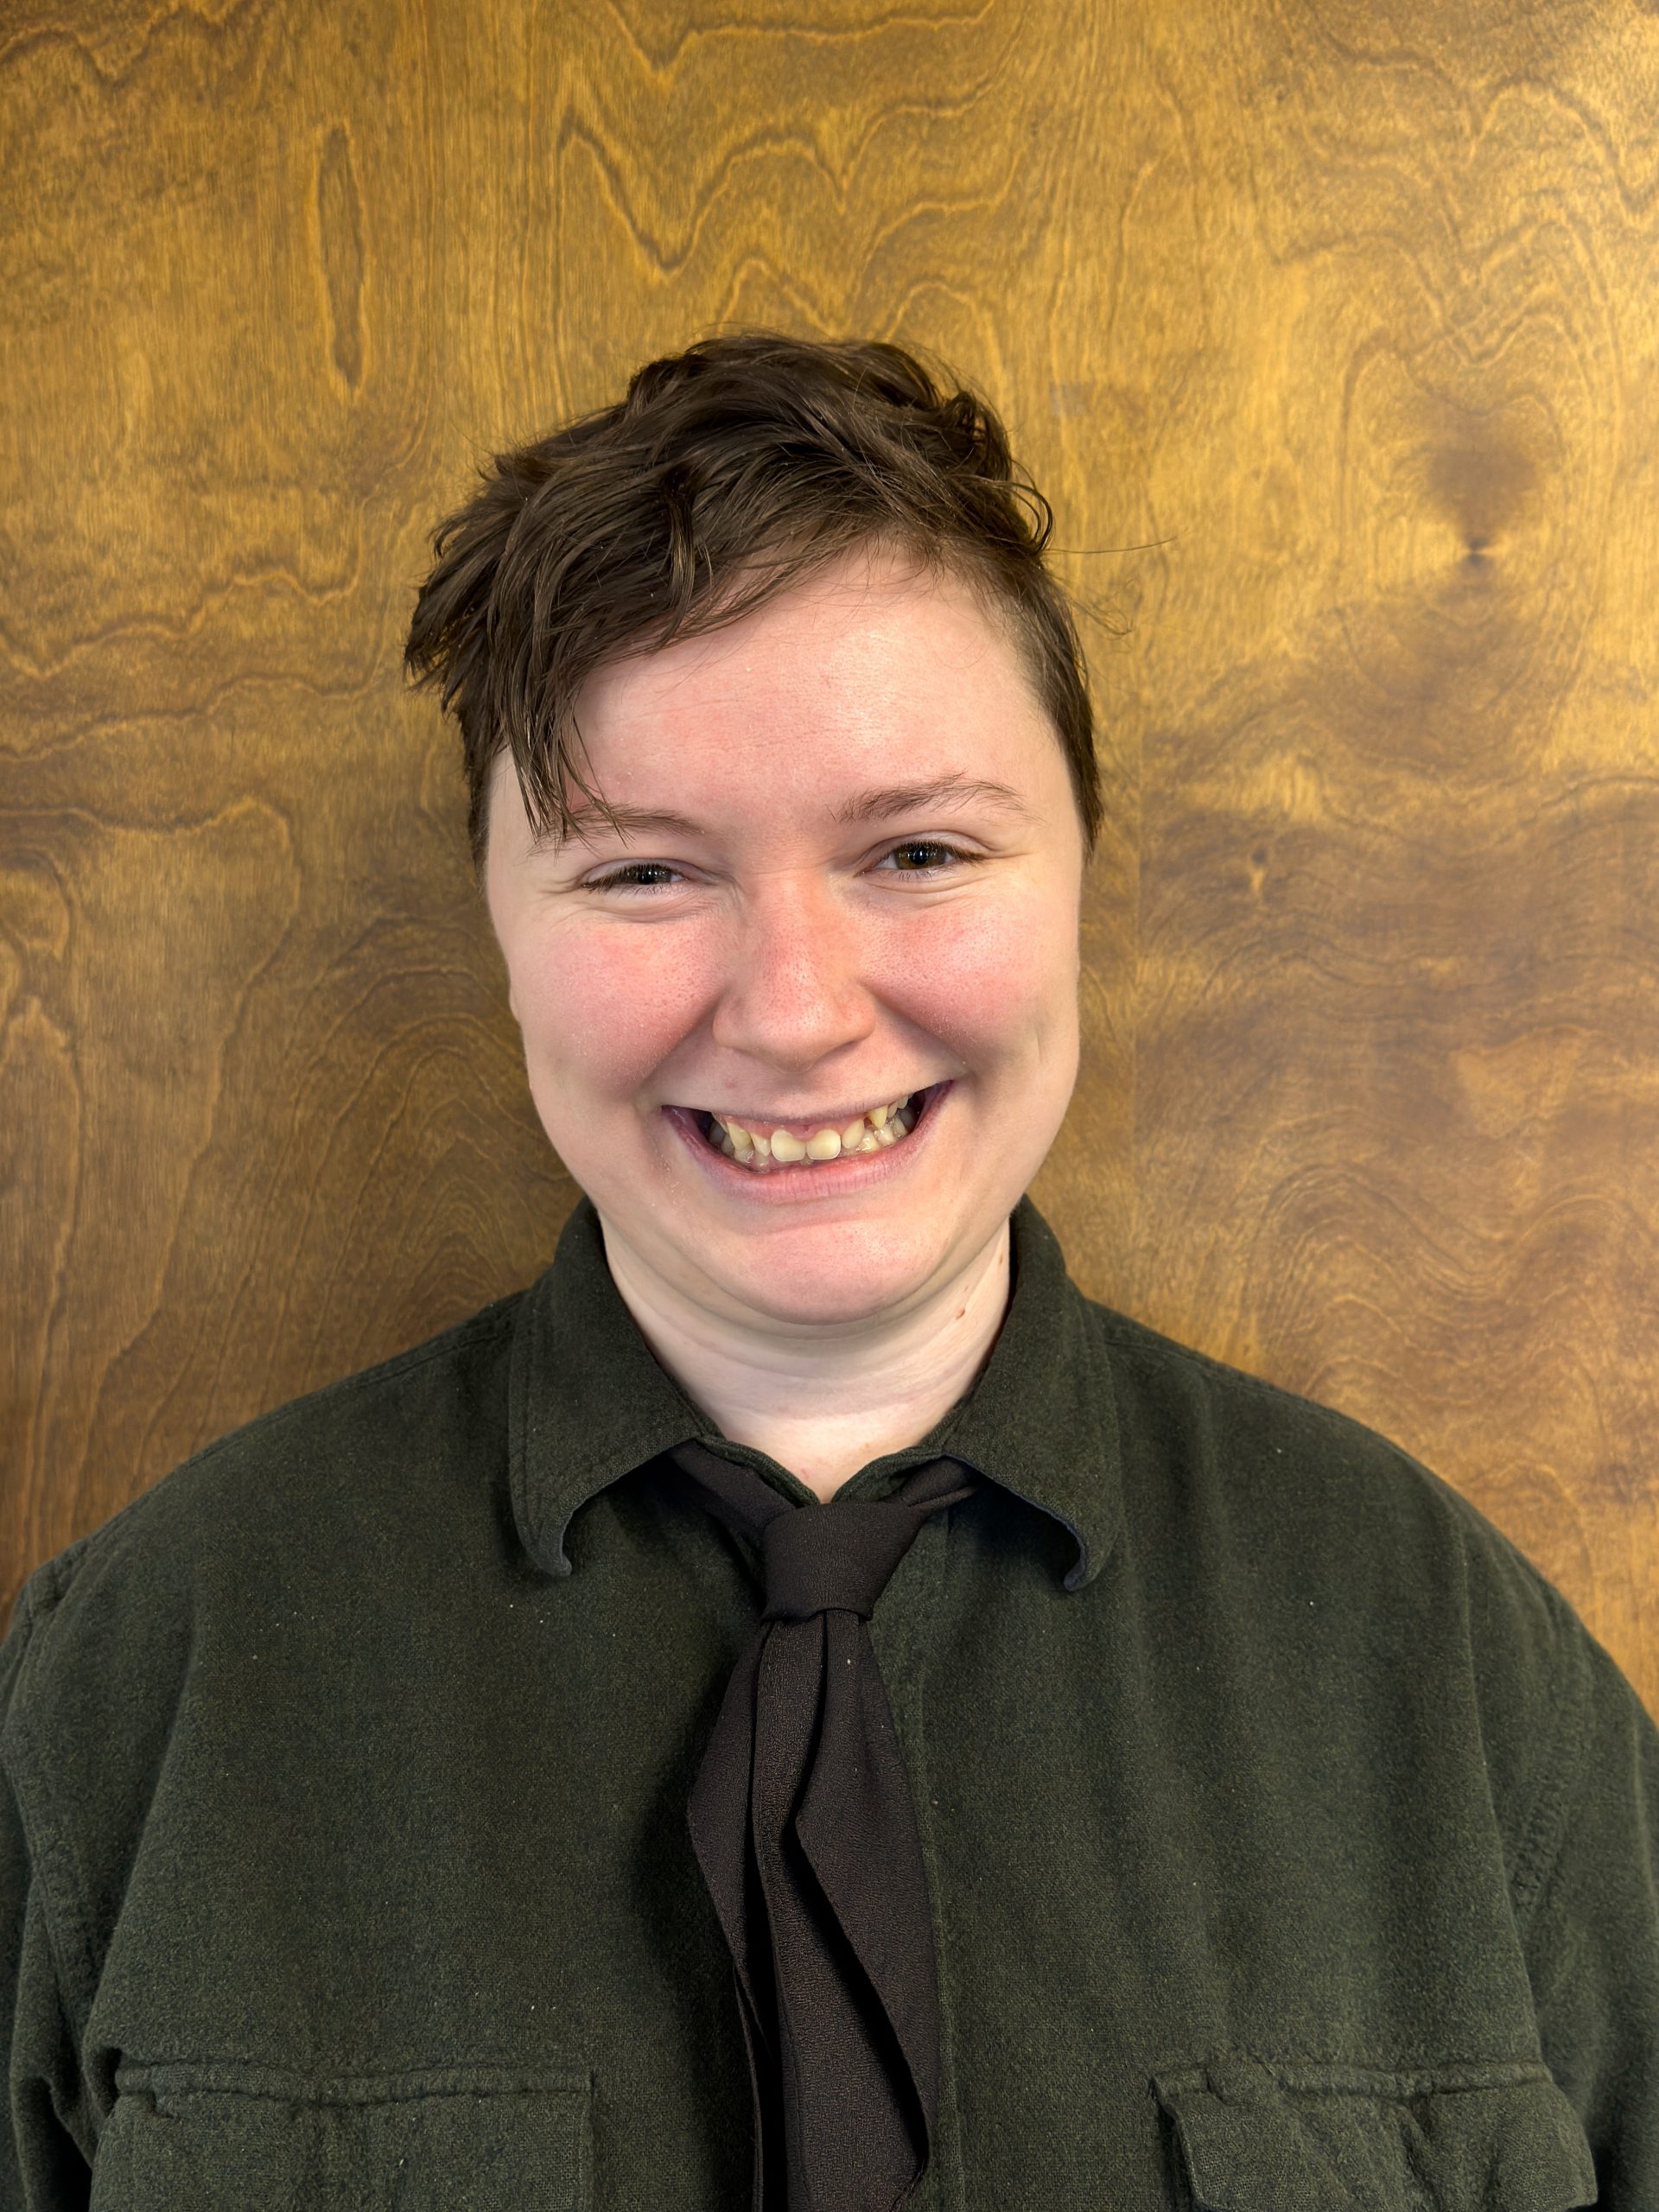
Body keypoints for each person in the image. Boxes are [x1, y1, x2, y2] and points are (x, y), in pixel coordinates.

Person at [2, 334, 1653, 2211]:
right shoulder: (139, 1678)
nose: (793, 1013)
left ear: (1082, 873)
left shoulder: (1455, 1669)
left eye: (920, 850)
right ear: (498, 928)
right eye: (643, 874)